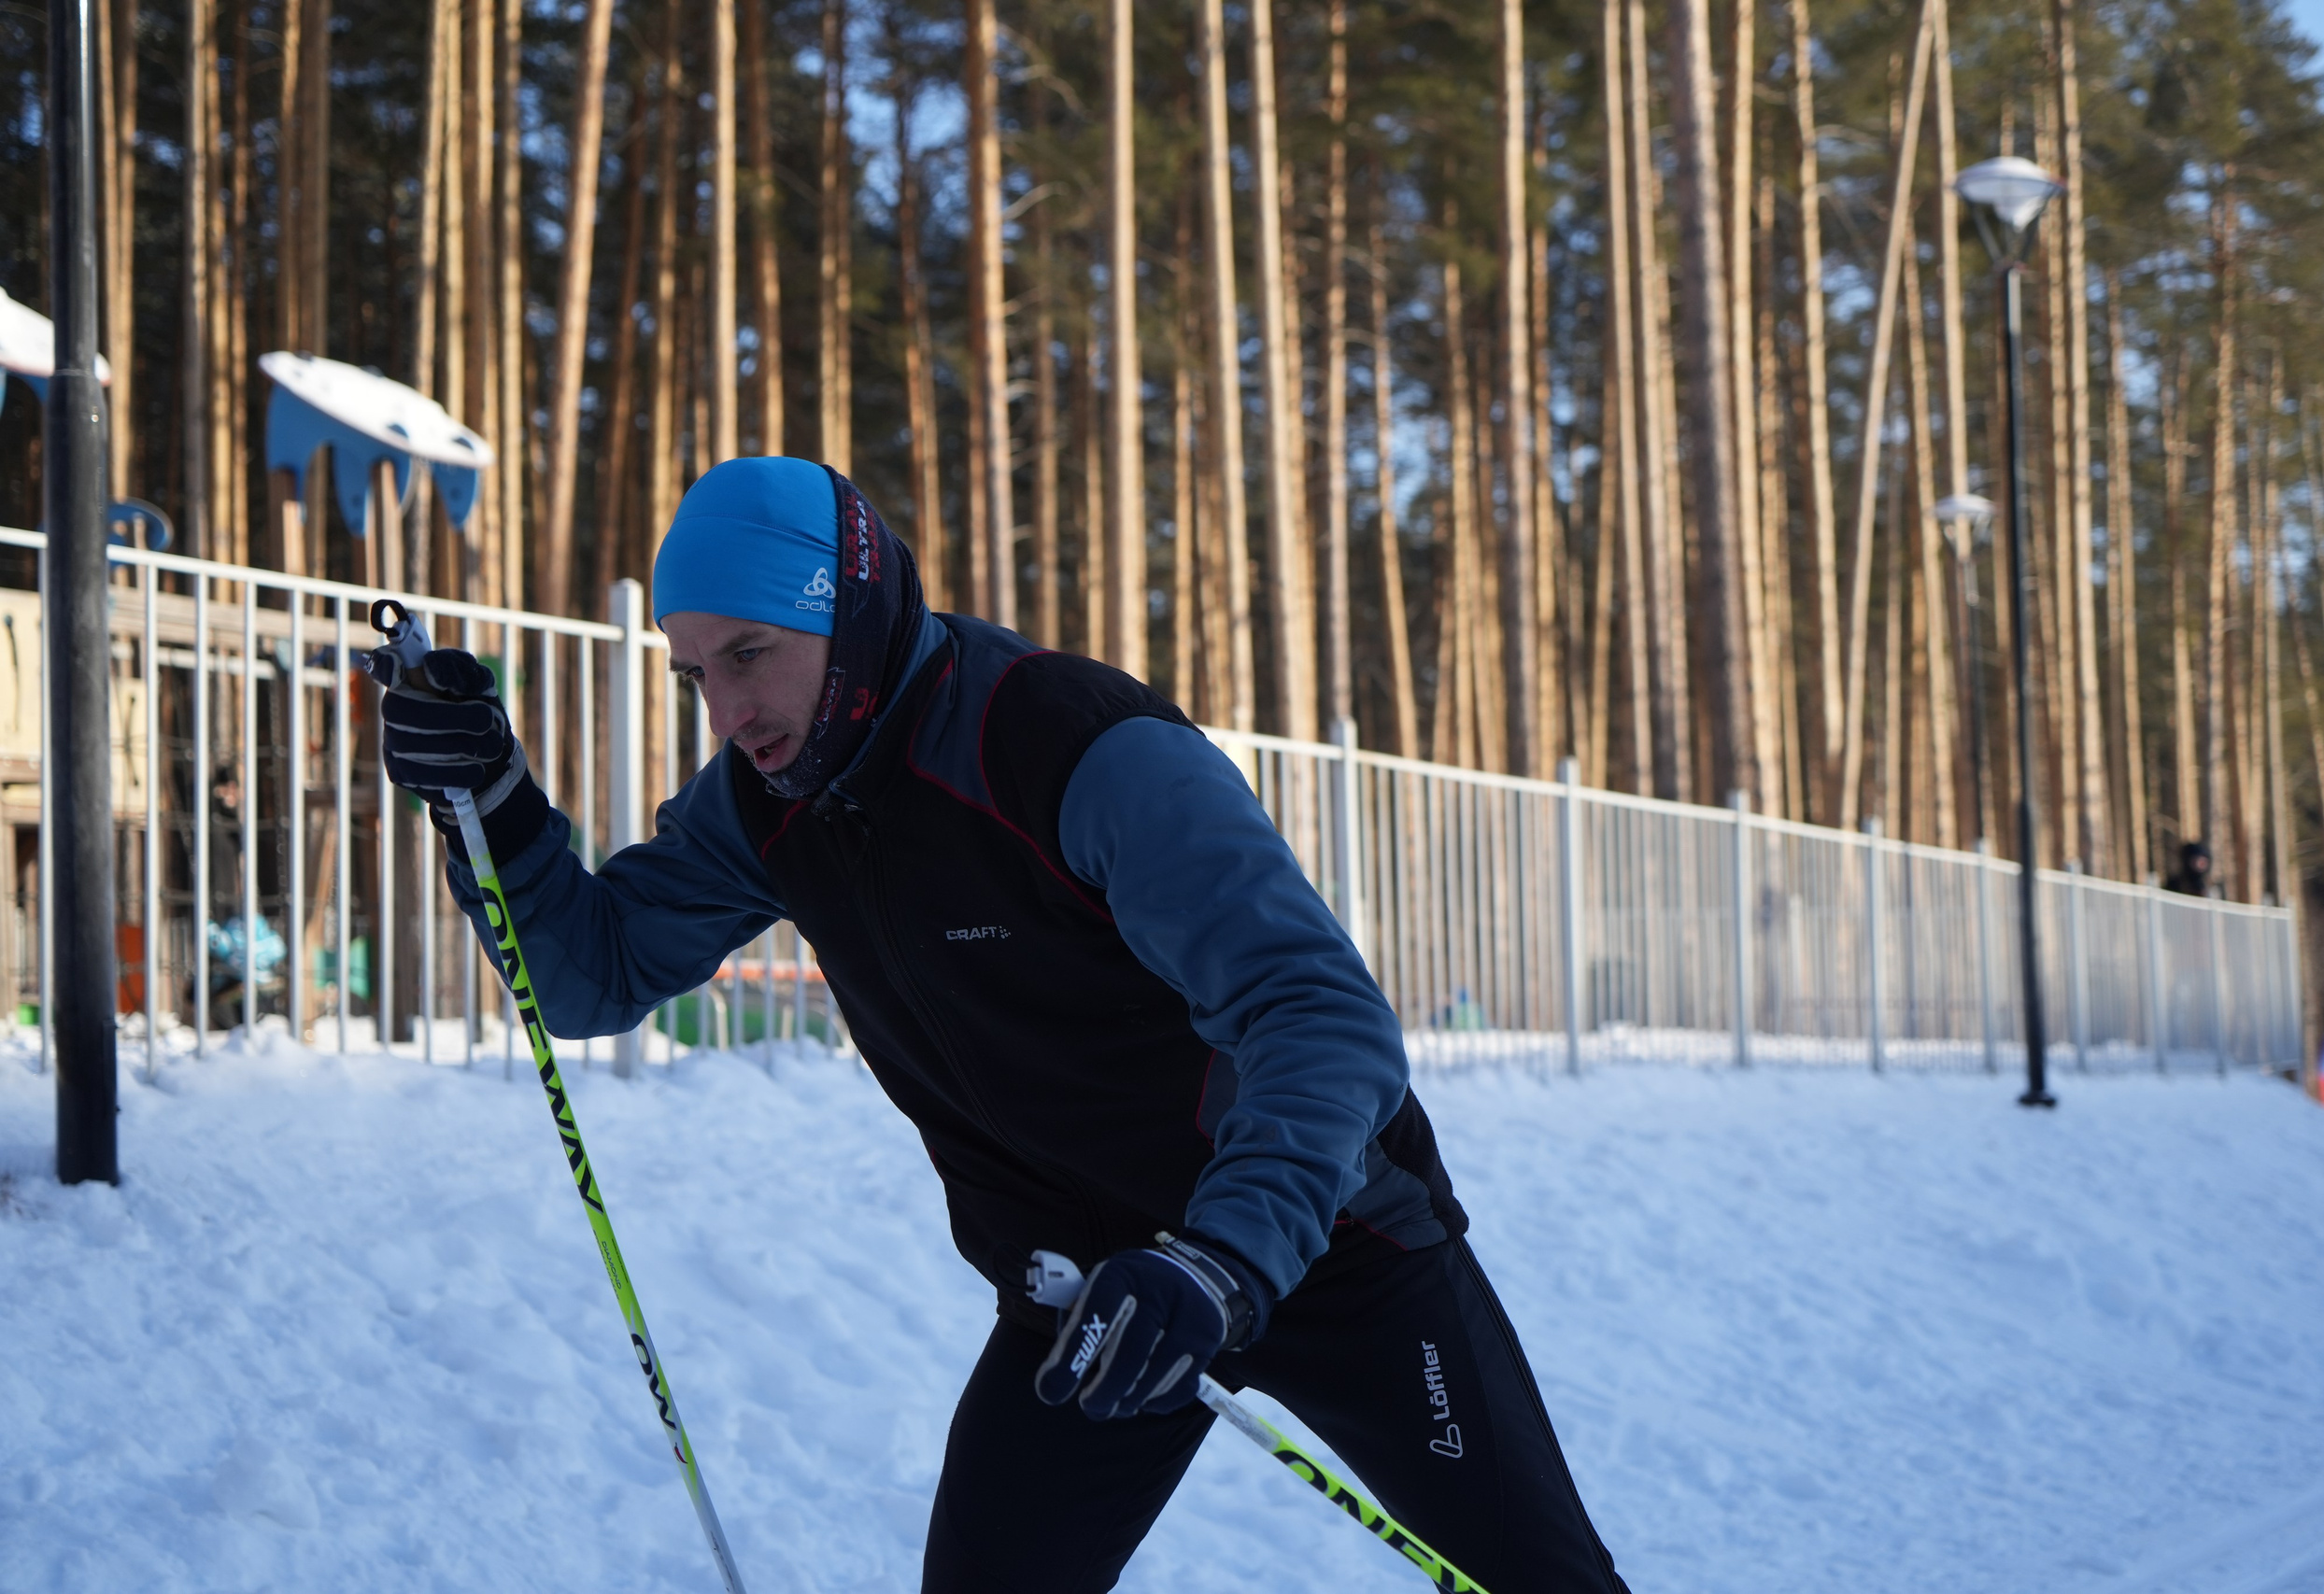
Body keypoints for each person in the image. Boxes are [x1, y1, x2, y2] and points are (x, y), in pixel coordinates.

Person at [373, 458, 1632, 1593]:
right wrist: (497, 809)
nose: (726, 714)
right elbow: (594, 975)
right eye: (695, 673)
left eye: (751, 653)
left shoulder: (1069, 749)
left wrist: (1222, 1258)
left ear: (846, 613)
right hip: (1083, 1293)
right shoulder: (768, 801)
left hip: (1329, 1249)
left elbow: (1317, 1016)